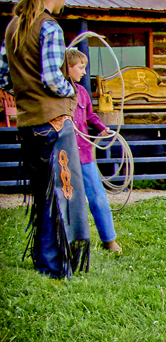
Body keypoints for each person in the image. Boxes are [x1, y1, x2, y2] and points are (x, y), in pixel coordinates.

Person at [0, 0, 90, 279]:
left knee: (42, 195)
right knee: (60, 194)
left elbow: (4, 77)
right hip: (52, 121)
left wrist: (26, 93)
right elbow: (53, 78)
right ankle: (53, 266)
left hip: (27, 121)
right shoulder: (48, 27)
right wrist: (72, 92)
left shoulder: (14, 26)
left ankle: (44, 259)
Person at [66, 49, 121, 253]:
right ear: (68, 67)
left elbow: (89, 116)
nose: (83, 71)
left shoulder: (82, 92)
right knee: (69, 198)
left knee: (97, 196)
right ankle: (70, 241)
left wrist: (101, 127)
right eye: (80, 67)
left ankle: (109, 240)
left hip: (85, 154)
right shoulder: (58, 94)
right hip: (66, 156)